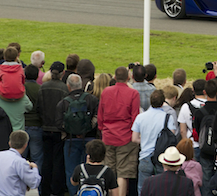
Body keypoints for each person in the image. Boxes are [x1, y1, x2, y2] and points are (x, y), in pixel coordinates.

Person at [98, 67, 141, 196]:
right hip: (126, 138)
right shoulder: (133, 94)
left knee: (110, 172)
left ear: (115, 78)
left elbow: (101, 114)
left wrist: (103, 130)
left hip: (109, 136)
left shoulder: (106, 92)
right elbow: (135, 118)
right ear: (128, 77)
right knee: (123, 173)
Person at [56, 74, 99, 196]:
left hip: (71, 141)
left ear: (68, 86)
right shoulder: (93, 99)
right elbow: (97, 118)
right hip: (89, 140)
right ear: (81, 85)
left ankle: (74, 193)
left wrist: (73, 132)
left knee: (71, 171)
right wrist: (86, 130)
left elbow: (59, 123)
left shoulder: (63, 103)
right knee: (89, 170)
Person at [132, 89, 177, 193]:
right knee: (162, 189)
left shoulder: (140, 117)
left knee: (142, 189)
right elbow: (172, 135)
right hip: (161, 156)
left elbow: (134, 139)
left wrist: (144, 141)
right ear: (162, 103)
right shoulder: (167, 117)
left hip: (145, 156)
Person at [39, 61, 69, 196]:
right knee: (57, 161)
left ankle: (45, 189)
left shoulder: (43, 87)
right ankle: (57, 190)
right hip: (58, 130)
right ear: (62, 73)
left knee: (46, 160)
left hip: (45, 128)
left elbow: (39, 107)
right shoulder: (64, 89)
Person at [0, 130, 41, 196]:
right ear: (25, 145)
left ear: (10, 143)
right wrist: (35, 168)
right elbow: (34, 183)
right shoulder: (20, 162)